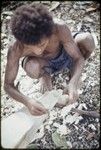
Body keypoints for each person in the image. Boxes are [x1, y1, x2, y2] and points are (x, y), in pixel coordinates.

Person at [4, 4, 95, 116]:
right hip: (44, 63)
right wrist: (28, 102)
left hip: (65, 54)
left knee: (87, 40)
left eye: (42, 44)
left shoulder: (58, 28)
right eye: (30, 47)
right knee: (32, 67)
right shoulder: (15, 48)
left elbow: (78, 57)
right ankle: (45, 76)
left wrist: (73, 82)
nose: (38, 51)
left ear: (50, 32)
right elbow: (8, 85)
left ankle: (73, 72)